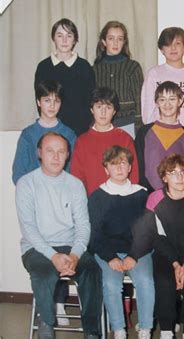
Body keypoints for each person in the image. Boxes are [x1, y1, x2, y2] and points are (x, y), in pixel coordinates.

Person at [15, 132, 102, 339]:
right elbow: (28, 228)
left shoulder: (75, 184)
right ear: (39, 153)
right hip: (37, 248)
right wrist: (53, 256)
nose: (56, 157)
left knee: (92, 270)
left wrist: (75, 255)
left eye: (61, 151)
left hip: (70, 246)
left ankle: (92, 332)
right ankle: (46, 323)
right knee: (44, 273)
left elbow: (83, 225)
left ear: (68, 154)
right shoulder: (26, 184)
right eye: (50, 151)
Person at [131, 154, 184, 339]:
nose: (179, 177)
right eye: (173, 173)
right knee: (164, 281)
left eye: (183, 172)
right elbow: (157, 237)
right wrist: (176, 264)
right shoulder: (155, 198)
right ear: (164, 177)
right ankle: (167, 331)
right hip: (166, 254)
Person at [88, 146, 152, 339]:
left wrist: (133, 255)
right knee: (111, 283)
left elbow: (147, 231)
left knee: (145, 281)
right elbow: (95, 233)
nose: (119, 167)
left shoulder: (142, 193)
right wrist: (111, 257)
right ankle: (119, 330)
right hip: (107, 251)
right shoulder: (97, 196)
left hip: (137, 250)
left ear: (130, 167)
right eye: (113, 164)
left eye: (123, 162)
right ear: (106, 169)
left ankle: (145, 329)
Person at [71, 87, 139, 195]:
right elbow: (77, 178)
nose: (103, 112)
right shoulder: (82, 141)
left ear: (114, 111)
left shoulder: (125, 138)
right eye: (99, 107)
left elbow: (134, 175)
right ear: (92, 109)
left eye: (108, 107)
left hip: (121, 199)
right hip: (92, 202)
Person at [141, 27, 184, 140]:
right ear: (161, 49)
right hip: (160, 136)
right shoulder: (154, 73)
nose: (173, 48)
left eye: (178, 43)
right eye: (168, 44)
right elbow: (148, 110)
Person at [35, 18, 96, 136]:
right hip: (51, 131)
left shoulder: (84, 67)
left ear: (75, 40)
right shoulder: (43, 67)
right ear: (53, 38)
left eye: (69, 36)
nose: (64, 40)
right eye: (59, 36)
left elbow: (91, 101)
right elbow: (40, 102)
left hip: (79, 131)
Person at [135, 81, 184, 192]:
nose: (167, 104)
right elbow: (138, 168)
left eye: (172, 99)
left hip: (178, 196)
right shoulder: (144, 132)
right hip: (148, 196)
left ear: (180, 101)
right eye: (162, 99)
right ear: (156, 103)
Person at [12, 80, 76, 185]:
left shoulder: (69, 134)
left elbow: (73, 170)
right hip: (34, 192)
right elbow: (18, 173)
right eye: (47, 100)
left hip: (61, 192)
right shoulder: (28, 135)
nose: (52, 106)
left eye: (56, 101)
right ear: (38, 102)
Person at [93, 21, 144, 137]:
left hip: (128, 124)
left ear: (124, 42)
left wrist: (139, 126)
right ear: (103, 41)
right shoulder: (94, 69)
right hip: (102, 125)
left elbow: (139, 99)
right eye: (111, 38)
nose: (115, 43)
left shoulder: (133, 67)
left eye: (120, 39)